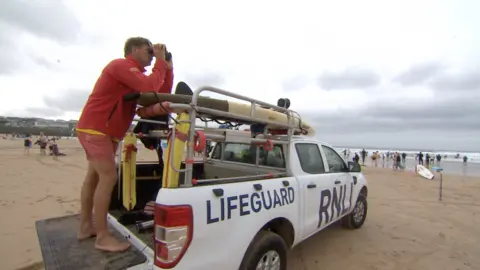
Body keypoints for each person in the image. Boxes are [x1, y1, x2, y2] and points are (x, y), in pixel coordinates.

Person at [75, 37, 173, 252]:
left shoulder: (134, 76)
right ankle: (102, 236)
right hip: (96, 128)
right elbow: (149, 85)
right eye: (148, 50)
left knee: (94, 177)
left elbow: (158, 92)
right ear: (135, 49)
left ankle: (85, 226)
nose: (151, 54)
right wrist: (158, 62)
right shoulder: (121, 65)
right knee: (109, 177)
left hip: (105, 131)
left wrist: (167, 66)